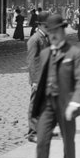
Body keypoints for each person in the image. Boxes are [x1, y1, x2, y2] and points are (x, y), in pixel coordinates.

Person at [31, 13, 80, 158]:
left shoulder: (75, 53)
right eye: (50, 31)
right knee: (41, 143)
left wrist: (75, 103)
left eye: (56, 31)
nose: (53, 35)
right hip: (47, 105)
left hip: (66, 105)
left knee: (68, 143)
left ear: (63, 31)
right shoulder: (45, 53)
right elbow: (41, 79)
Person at [26, 11, 50, 143]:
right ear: (40, 25)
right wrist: (35, 81)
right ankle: (32, 133)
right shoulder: (34, 40)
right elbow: (31, 62)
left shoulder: (45, 38)